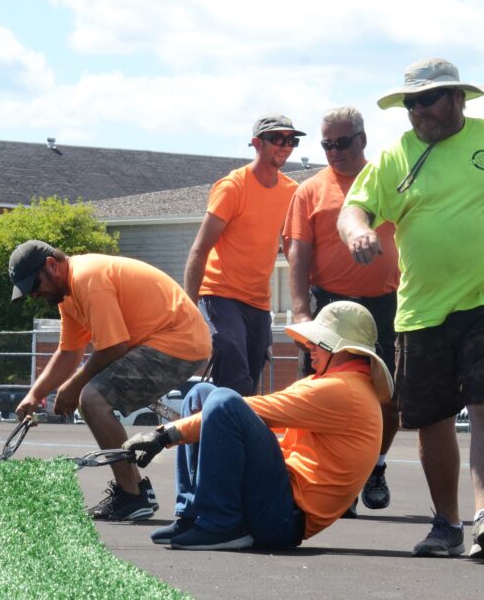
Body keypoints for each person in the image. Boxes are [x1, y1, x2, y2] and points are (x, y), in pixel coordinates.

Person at [337, 57, 484, 559]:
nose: (417, 110)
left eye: (427, 99)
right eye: (410, 103)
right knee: (432, 418)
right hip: (421, 309)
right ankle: (446, 524)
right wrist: (359, 230)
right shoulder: (396, 155)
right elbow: (354, 208)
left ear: (457, 98)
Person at [123, 301, 390, 551]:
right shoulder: (339, 384)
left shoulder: (343, 390)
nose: (309, 345)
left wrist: (164, 436)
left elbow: (246, 409)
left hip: (282, 518)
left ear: (341, 349)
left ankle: (221, 524)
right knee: (201, 394)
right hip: (278, 506)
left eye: (319, 341)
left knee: (223, 402)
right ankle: (192, 517)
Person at [8, 239, 211, 522]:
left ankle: (132, 495)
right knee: (91, 396)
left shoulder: (88, 279)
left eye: (34, 285)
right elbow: (69, 353)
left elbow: (113, 347)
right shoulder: (69, 295)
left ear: (52, 265)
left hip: (179, 343)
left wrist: (73, 387)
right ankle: (135, 491)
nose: (33, 295)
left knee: (92, 399)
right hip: (171, 342)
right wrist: (35, 394)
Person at [283, 106, 400, 512]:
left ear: (362, 140)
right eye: (327, 145)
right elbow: (298, 253)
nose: (335, 152)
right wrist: (301, 313)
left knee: (388, 395)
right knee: (318, 396)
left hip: (385, 305)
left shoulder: (387, 180)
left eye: (343, 143)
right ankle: (332, 480)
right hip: (329, 307)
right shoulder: (310, 190)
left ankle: (375, 468)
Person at [183, 114, 304, 395]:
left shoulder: (291, 191)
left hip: (259, 303)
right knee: (235, 376)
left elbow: (293, 248)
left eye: (291, 141)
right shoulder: (233, 187)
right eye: (277, 139)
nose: (285, 146)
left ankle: (224, 420)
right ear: (257, 143)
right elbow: (199, 249)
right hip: (220, 295)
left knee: (249, 384)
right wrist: (188, 311)